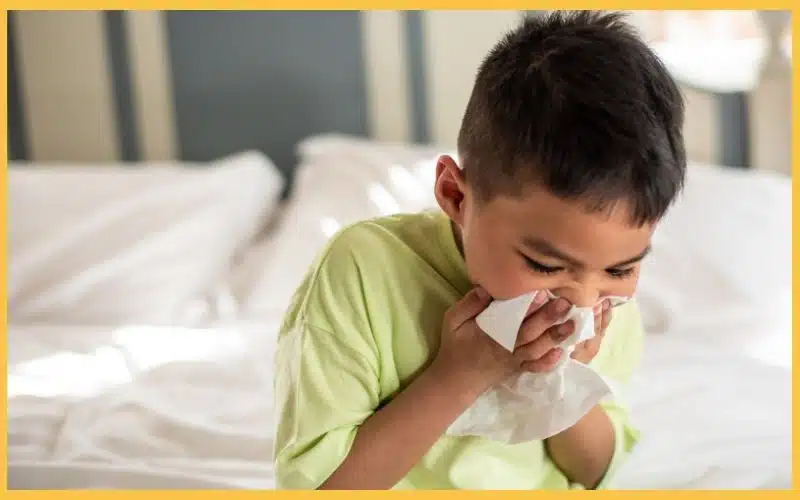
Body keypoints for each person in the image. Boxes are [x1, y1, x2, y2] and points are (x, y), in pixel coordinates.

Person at [273, 10, 685, 490]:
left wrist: (563, 378)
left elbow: (596, 470)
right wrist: (460, 376)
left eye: (621, 269)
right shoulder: (363, 271)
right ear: (456, 196)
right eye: (544, 264)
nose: (583, 302)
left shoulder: (606, 306)